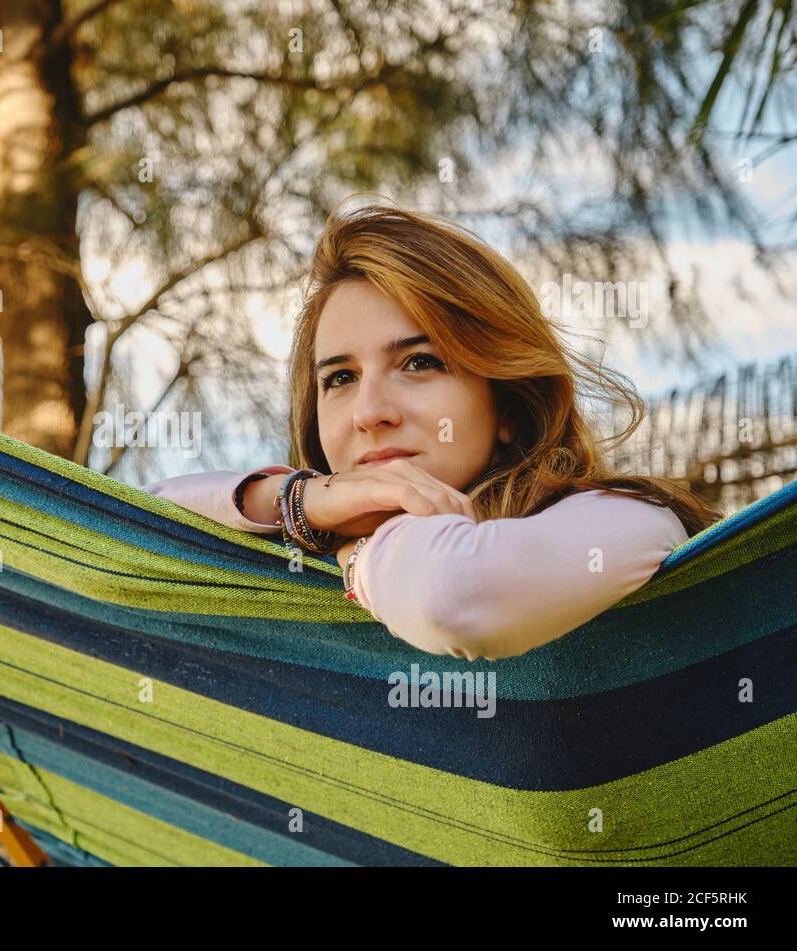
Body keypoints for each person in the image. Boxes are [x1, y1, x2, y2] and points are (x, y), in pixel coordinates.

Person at [144, 201, 723, 662]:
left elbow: (454, 598)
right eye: (341, 377)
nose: (370, 412)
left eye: (420, 363)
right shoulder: (307, 560)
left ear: (509, 406)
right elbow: (135, 525)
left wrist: (360, 544)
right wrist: (299, 501)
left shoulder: (627, 521)